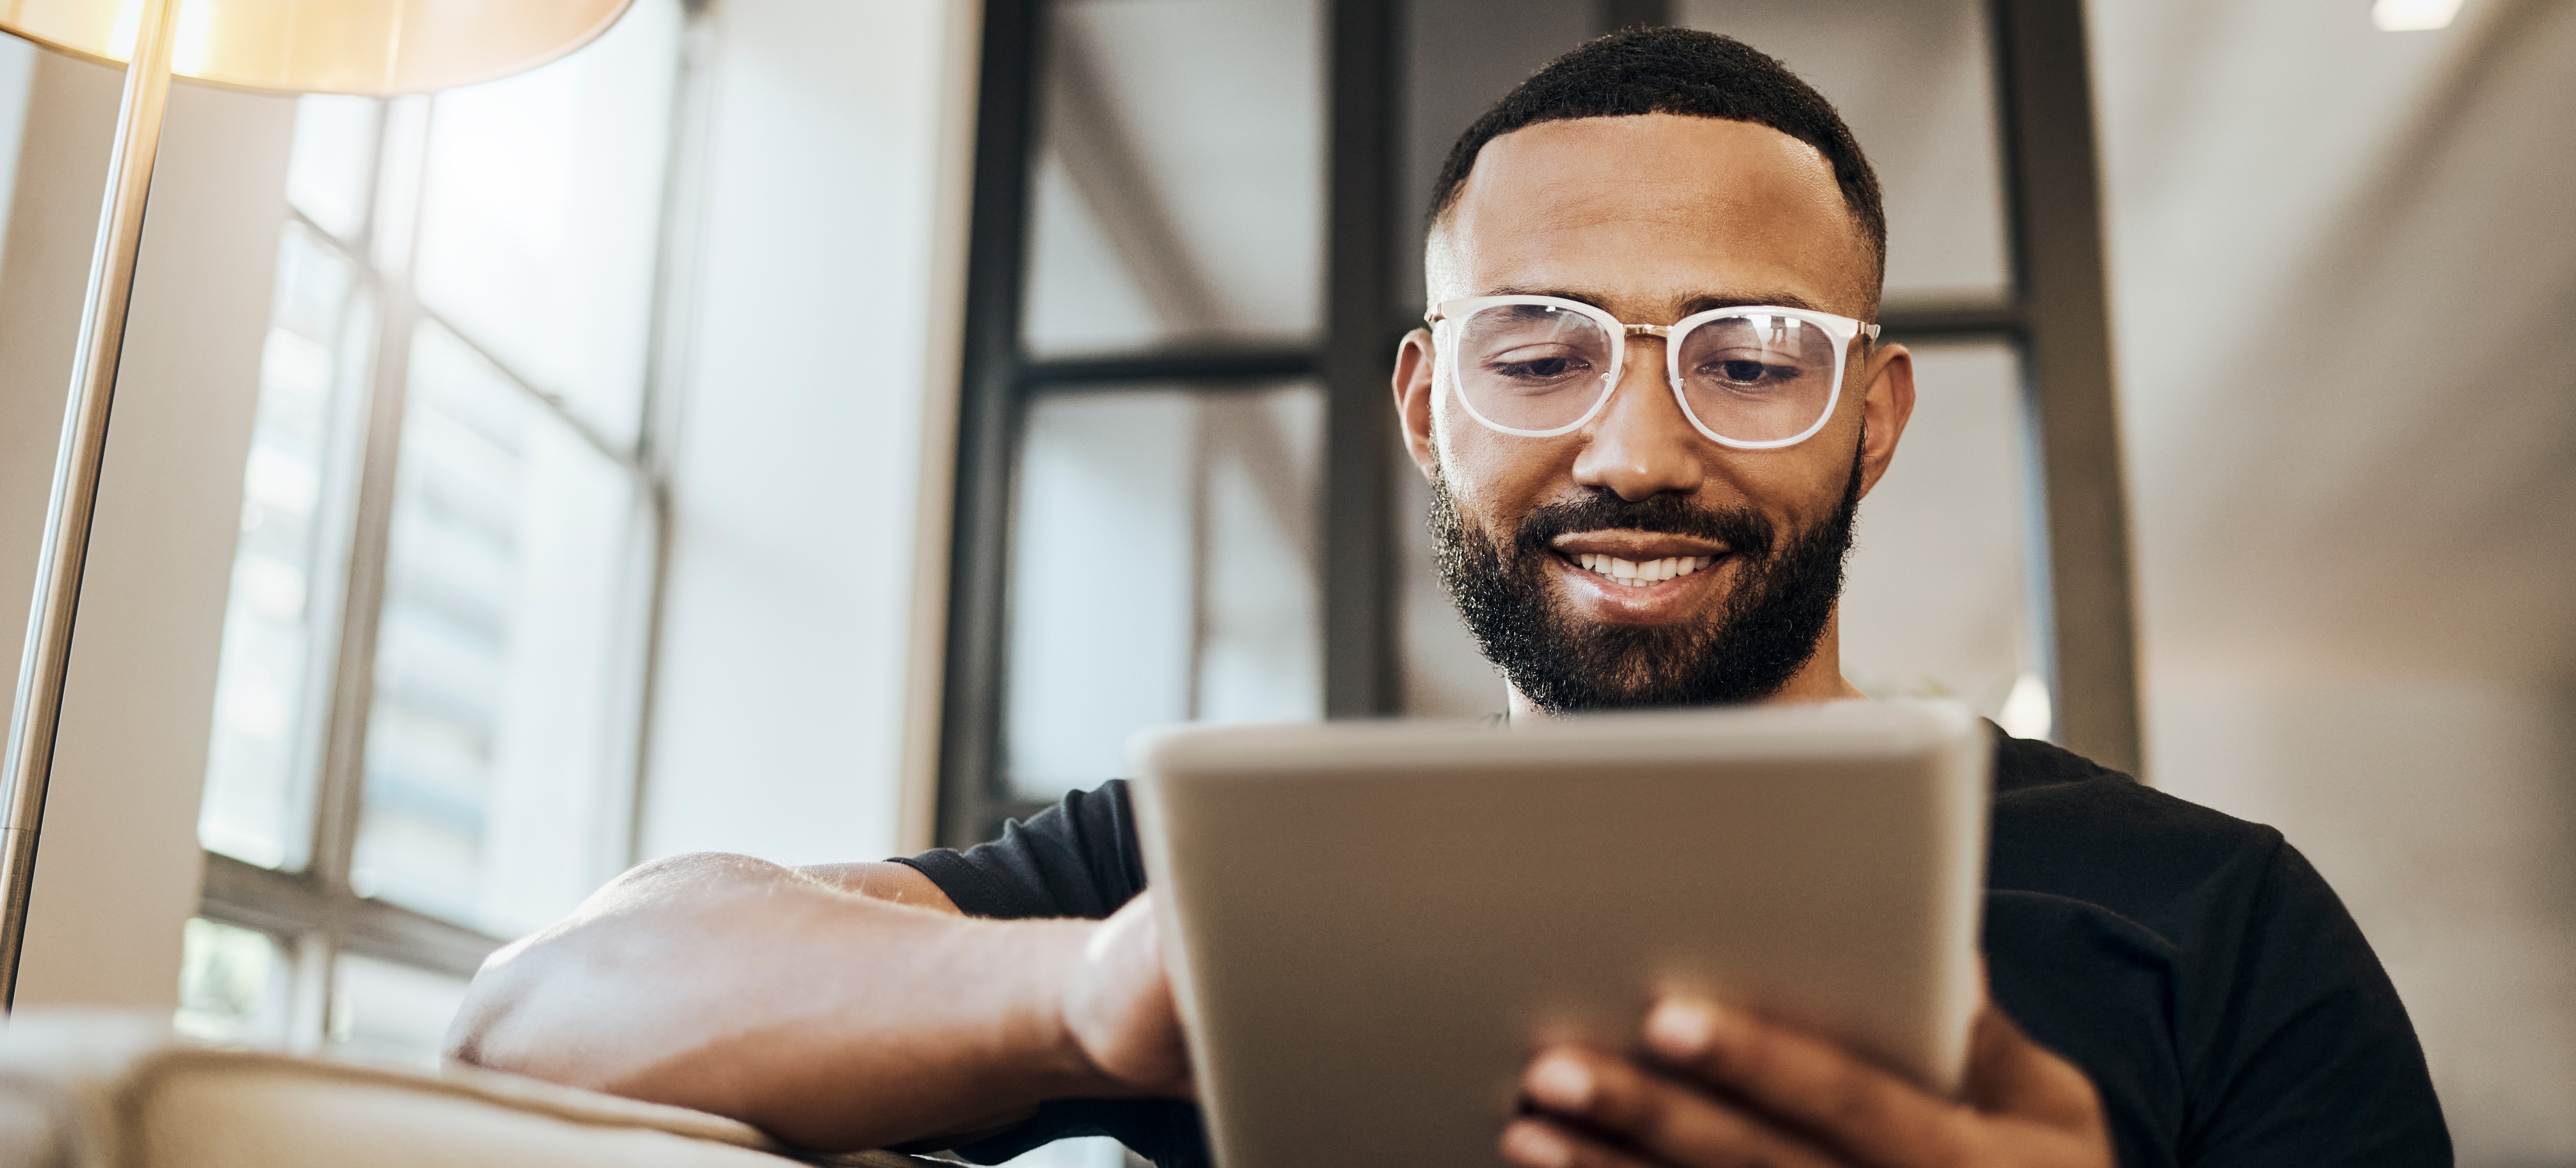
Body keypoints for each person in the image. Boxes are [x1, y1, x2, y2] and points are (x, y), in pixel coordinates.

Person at [446, 28, 2450, 1168]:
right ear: (1425, 400)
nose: (1638, 449)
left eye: (1748, 357)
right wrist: (1092, 996)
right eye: (1537, 349)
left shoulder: (2214, 915)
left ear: (1873, 414)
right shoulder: (1202, 882)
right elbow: (544, 1022)